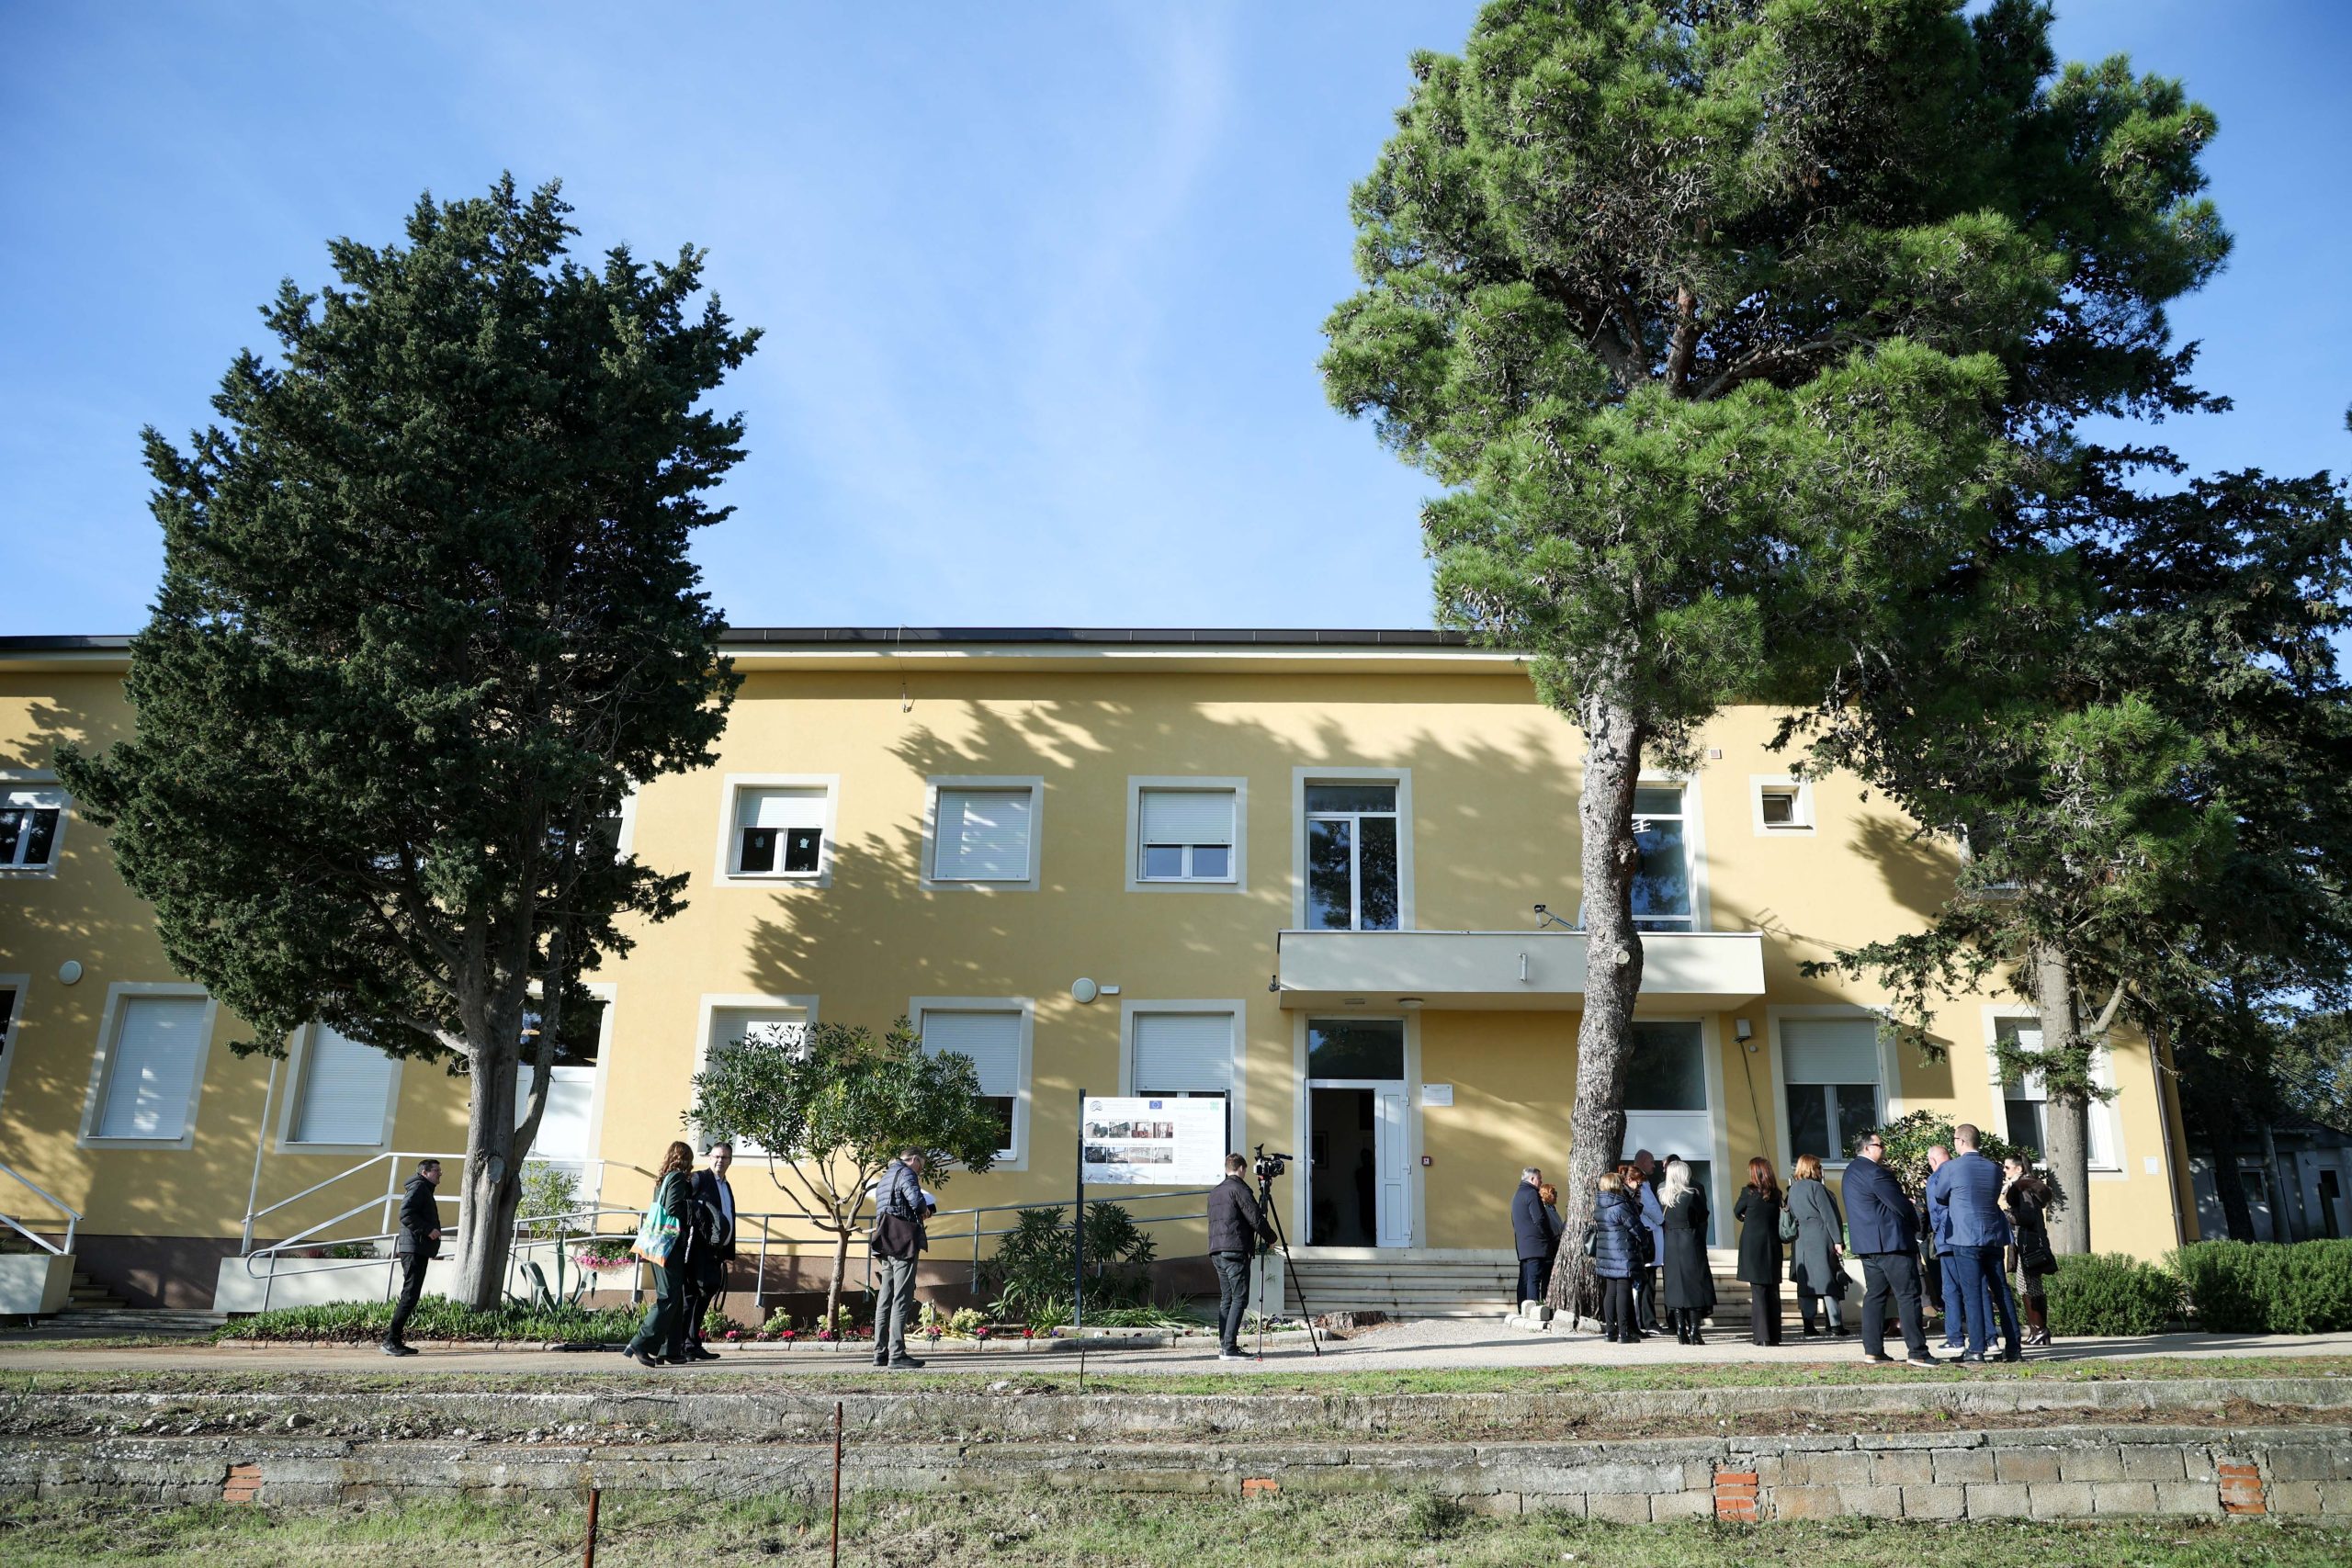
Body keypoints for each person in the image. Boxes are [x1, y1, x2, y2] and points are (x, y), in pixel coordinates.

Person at [1927, 1123, 2021, 1364]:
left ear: (1960, 1141)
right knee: (2001, 1290)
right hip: (1992, 1234)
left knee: (1972, 1293)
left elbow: (1940, 1196)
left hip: (1965, 1235)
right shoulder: (1993, 1168)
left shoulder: (1952, 1167)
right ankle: (2014, 1348)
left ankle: (1976, 1349)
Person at [1843, 1131, 1938, 1366]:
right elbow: (1900, 1205)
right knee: (1908, 1295)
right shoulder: (1875, 1172)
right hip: (1891, 1243)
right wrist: (1917, 1225)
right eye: (1880, 1145)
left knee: (1875, 1296)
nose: (1884, 1148)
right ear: (1867, 1148)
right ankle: (1918, 1352)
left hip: (1868, 1245)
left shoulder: (1851, 1171)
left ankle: (1873, 1350)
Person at [625, 1141, 696, 1369]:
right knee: (668, 1297)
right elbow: (673, 1208)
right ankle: (640, 1343)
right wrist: (695, 1208)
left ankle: (670, 1349)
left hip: (659, 1244)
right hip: (669, 1245)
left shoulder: (663, 1179)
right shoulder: (677, 1178)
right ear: (686, 1159)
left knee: (675, 1296)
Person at [1205, 1153, 1269, 1360]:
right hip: (1235, 1249)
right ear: (1241, 1168)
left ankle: (1225, 1346)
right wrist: (1271, 1238)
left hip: (1216, 1250)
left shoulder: (1215, 1192)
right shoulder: (1240, 1189)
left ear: (1227, 1169)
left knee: (1227, 1298)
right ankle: (1230, 1348)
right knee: (1239, 1298)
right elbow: (1255, 1218)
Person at [678, 1142, 738, 1361]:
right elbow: (684, 1207)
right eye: (716, 1156)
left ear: (730, 1161)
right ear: (709, 1158)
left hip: (716, 1251)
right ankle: (680, 1345)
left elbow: (727, 1216)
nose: (720, 1161)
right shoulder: (699, 1179)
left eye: (724, 1158)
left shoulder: (726, 1186)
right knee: (692, 1295)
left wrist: (726, 1250)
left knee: (706, 1294)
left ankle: (692, 1343)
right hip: (697, 1249)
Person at [871, 1146, 927, 1369]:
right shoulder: (906, 1173)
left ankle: (880, 1353)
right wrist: (925, 1210)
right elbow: (916, 1202)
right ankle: (897, 1354)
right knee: (902, 1297)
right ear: (914, 1159)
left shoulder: (885, 1177)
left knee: (885, 1298)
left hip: (885, 1242)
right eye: (921, 1166)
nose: (920, 1170)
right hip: (903, 1242)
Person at [381, 1157, 441, 1357]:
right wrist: (428, 1230)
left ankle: (395, 1340)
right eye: (436, 1171)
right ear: (424, 1172)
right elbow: (405, 1213)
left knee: (411, 1295)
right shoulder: (419, 1188)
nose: (440, 1174)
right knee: (409, 1295)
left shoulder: (423, 1189)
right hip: (413, 1249)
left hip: (417, 1248)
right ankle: (391, 1340)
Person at [1786, 1154, 1847, 1338]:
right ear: (1813, 1168)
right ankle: (1835, 1324)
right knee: (1828, 1280)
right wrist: (1838, 1240)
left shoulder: (1793, 1189)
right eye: (1819, 1167)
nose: (1821, 1170)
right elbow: (1829, 1216)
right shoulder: (1817, 1188)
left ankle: (1808, 1324)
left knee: (1807, 1284)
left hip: (1801, 1239)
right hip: (1821, 1236)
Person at [1657, 1157, 1714, 1344]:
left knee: (1675, 1286)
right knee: (1694, 1285)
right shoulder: (1691, 1195)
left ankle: (1680, 1329)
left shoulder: (1663, 1196)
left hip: (1670, 1243)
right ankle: (1695, 1331)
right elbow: (1703, 1215)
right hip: (1689, 1241)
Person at [1732, 1156, 1786, 1347]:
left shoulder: (1748, 1192)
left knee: (1759, 1291)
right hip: (1772, 1245)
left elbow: (1737, 1211)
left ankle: (1762, 1336)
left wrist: (1747, 1216)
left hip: (1753, 1246)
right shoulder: (1777, 1194)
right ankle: (1775, 1335)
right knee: (1773, 1290)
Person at [2003, 1157, 2056, 1348]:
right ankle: (2039, 1331)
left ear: (2018, 1169)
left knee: (2028, 1285)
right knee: (2029, 1285)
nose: (2004, 1170)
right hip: (2028, 1242)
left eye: (2007, 1167)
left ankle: (2039, 1331)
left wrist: (2006, 1215)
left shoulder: (2023, 1188)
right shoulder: (2024, 1187)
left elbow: (2027, 1217)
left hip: (2029, 1243)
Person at [1925, 1145, 1968, 1350]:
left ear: (1932, 1161)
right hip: (1968, 1237)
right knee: (1974, 1287)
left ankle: (1955, 1338)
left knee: (1950, 1290)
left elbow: (1935, 1212)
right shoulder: (1962, 1172)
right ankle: (1988, 1338)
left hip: (1947, 1238)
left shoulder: (1935, 1178)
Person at [1592, 1171, 1641, 1343]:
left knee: (1611, 1291)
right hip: (1623, 1252)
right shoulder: (1621, 1205)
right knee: (1623, 1291)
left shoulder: (1600, 1206)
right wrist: (1645, 1240)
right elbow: (1636, 1227)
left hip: (1606, 1253)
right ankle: (1624, 1332)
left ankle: (1610, 1331)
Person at [1510, 1166, 1560, 1307]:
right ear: (1532, 1179)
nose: (1541, 1181)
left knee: (1525, 1280)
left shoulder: (1517, 1195)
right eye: (1539, 1178)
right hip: (1536, 1245)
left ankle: (1522, 1309)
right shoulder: (1532, 1194)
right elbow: (1540, 1219)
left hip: (1523, 1245)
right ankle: (1532, 1309)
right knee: (1534, 1280)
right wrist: (1549, 1236)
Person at [1631, 1150, 1667, 1335]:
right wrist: (1662, 1221)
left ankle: (1646, 1320)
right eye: (1652, 1162)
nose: (1654, 1165)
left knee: (1647, 1282)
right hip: (1648, 1238)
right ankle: (1648, 1321)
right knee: (1647, 1283)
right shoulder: (1642, 1184)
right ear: (1643, 1161)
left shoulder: (1644, 1183)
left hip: (1649, 1237)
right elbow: (1652, 1209)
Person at [1535, 1182, 1565, 1297]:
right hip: (1550, 1248)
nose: (1556, 1195)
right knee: (1547, 1278)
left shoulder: (1552, 1209)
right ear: (1546, 1194)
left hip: (1556, 1246)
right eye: (1553, 1193)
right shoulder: (1544, 1209)